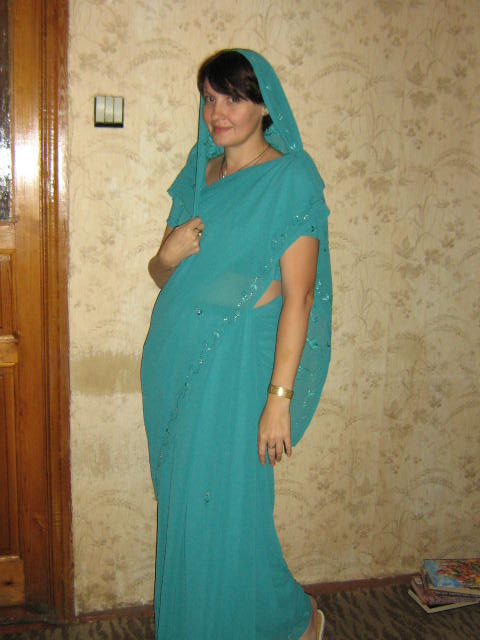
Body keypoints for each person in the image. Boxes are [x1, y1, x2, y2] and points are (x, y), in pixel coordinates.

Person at [141, 49, 332, 640]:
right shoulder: (198, 173)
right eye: (209, 98)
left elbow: (299, 296)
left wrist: (279, 397)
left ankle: (295, 620)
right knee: (186, 506)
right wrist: (166, 254)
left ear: (265, 106)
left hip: (237, 367)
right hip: (175, 359)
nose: (217, 112)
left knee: (235, 508)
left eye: (233, 98)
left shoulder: (291, 177)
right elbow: (163, 274)